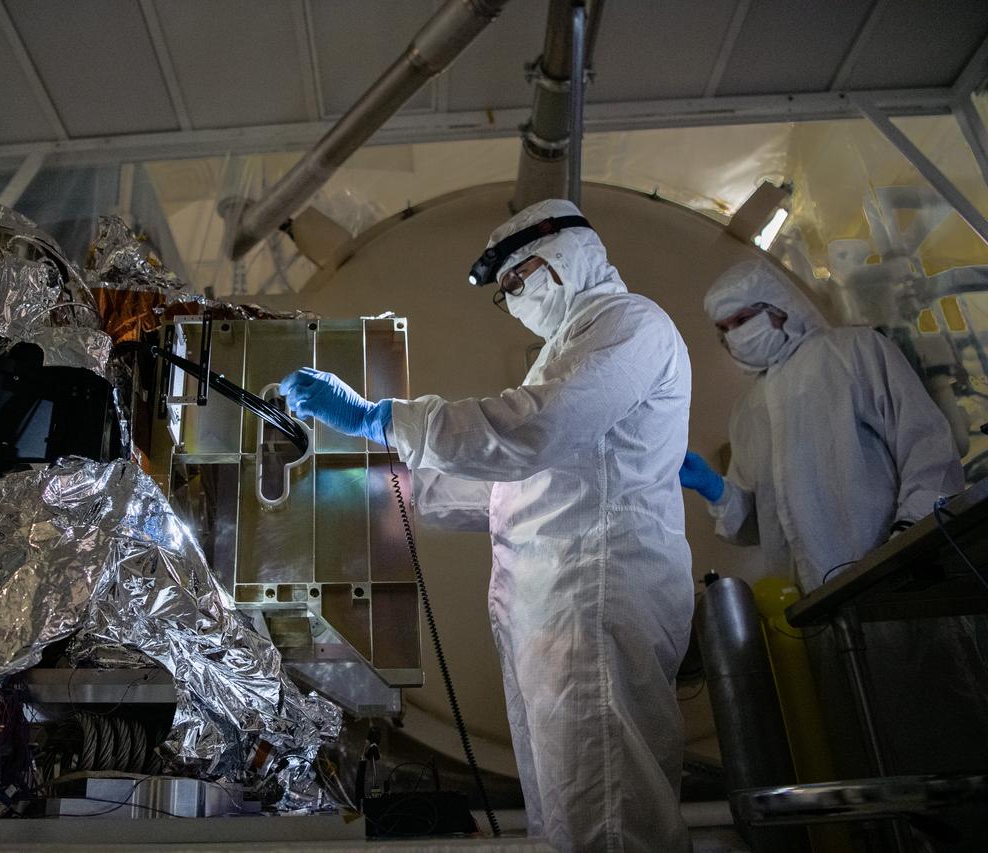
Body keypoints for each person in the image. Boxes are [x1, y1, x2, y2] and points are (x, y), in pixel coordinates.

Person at [280, 199, 694, 852]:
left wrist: (381, 417)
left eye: (514, 282)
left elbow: (532, 429)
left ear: (559, 256)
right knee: (569, 818)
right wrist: (368, 481)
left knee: (609, 821)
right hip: (556, 611)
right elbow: (517, 485)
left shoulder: (627, 324)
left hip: (595, 601)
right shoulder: (565, 352)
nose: (513, 300)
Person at [678, 258, 965, 593]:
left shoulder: (854, 351)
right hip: (813, 601)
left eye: (741, 320)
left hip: (899, 573)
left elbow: (926, 448)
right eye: (724, 330)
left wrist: (912, 533)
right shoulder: (748, 410)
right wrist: (717, 489)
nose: (734, 337)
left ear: (779, 308)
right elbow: (760, 524)